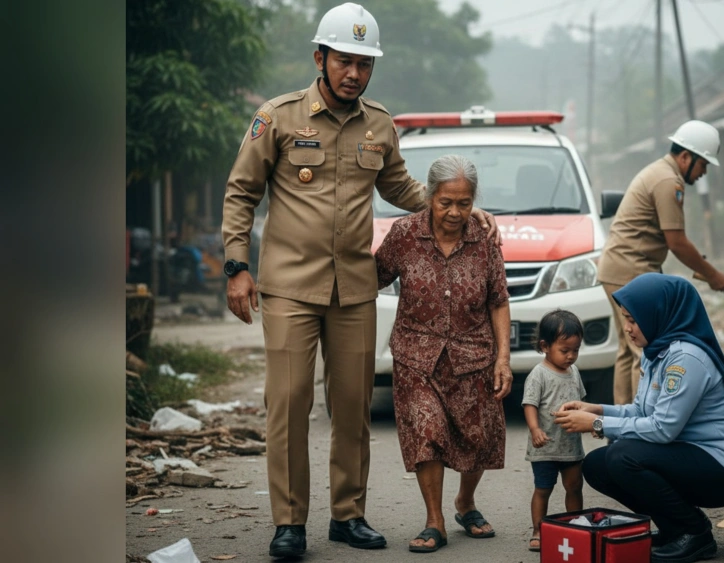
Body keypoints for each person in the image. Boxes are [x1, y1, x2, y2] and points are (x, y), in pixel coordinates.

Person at [221, 4, 498, 558]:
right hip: (290, 288)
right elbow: (240, 192)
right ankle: (290, 523)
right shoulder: (278, 118)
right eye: (344, 61)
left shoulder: (379, 124)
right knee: (290, 404)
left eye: (364, 64)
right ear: (320, 57)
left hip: (354, 289)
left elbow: (401, 186)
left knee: (351, 408)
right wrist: (237, 267)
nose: (354, 73)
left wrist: (455, 208)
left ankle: (348, 515)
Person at [553, 273, 724, 563]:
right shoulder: (657, 350)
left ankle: (695, 533)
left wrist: (596, 425)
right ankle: (677, 528)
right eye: (625, 319)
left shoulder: (686, 358)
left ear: (659, 314)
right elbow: (643, 412)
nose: (628, 329)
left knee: (623, 457)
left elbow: (662, 429)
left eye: (634, 320)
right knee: (598, 465)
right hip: (690, 454)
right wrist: (596, 409)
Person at [375, 155, 513, 554]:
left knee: (478, 439)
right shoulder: (404, 234)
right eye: (446, 202)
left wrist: (502, 358)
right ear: (430, 197)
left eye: (464, 203)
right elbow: (372, 276)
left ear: (474, 201)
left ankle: (465, 503)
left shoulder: (485, 239)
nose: (455, 212)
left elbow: (498, 301)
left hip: (474, 355)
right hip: (417, 355)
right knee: (427, 433)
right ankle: (434, 520)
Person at [597, 120, 724, 406]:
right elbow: (677, 242)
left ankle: (618, 426)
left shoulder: (659, 172)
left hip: (616, 267)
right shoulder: (669, 181)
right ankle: (638, 427)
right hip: (630, 269)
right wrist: (713, 275)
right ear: (686, 157)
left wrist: (704, 268)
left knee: (626, 348)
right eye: (703, 164)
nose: (703, 172)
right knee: (641, 349)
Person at [521, 309, 587, 552]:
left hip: (571, 448)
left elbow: (581, 404)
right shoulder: (539, 375)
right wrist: (535, 429)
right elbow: (530, 404)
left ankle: (578, 526)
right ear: (545, 346)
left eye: (576, 350)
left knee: (574, 487)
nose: (571, 356)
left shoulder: (575, 373)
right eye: (565, 350)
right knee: (543, 489)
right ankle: (538, 529)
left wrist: (592, 424)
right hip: (545, 447)